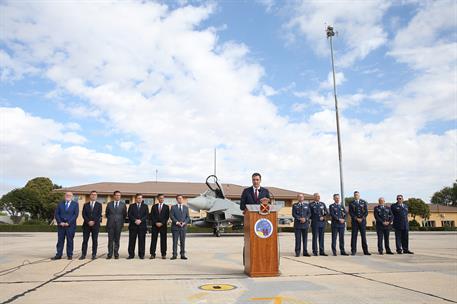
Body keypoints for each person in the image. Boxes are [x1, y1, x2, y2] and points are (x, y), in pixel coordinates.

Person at [52, 192, 79, 260]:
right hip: (61, 226)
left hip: (70, 226)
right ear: (65, 196)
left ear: (72, 197)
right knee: (60, 241)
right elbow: (56, 214)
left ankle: (69, 255)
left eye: (69, 195)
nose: (68, 196)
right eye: (67, 195)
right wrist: (60, 222)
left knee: (70, 241)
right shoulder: (60, 204)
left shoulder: (75, 204)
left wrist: (68, 223)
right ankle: (58, 255)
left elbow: (75, 215)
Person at [80, 190, 102, 260]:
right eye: (92, 194)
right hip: (86, 225)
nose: (93, 196)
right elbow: (83, 214)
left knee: (94, 240)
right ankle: (83, 255)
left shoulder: (99, 205)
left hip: (95, 225)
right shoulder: (85, 205)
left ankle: (94, 254)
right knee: (85, 240)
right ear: (90, 196)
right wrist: (88, 221)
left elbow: (99, 215)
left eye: (95, 195)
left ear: (96, 196)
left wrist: (93, 221)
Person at [105, 190, 127, 259]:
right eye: (116, 195)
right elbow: (107, 214)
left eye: (119, 195)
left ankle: (116, 254)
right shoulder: (109, 204)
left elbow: (124, 215)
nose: (118, 196)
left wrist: (121, 223)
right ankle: (110, 254)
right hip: (110, 225)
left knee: (117, 240)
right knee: (110, 240)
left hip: (119, 225)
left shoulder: (123, 205)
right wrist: (111, 219)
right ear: (114, 196)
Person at [349, 191, 371, 255]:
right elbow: (351, 212)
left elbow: (366, 212)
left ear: (359, 195)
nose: (356, 196)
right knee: (354, 236)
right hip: (355, 222)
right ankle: (353, 251)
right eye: (355, 195)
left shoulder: (363, 202)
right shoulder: (351, 203)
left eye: (357, 195)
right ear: (354, 196)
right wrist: (356, 218)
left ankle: (365, 251)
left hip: (362, 221)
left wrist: (362, 218)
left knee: (363, 236)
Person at [127, 193, 149, 259]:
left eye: (141, 198)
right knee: (131, 241)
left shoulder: (145, 206)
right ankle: (131, 255)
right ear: (136, 198)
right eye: (138, 198)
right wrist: (135, 220)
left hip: (142, 226)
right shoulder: (131, 206)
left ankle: (141, 255)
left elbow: (146, 215)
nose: (139, 199)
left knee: (142, 241)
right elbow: (129, 214)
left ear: (142, 199)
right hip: (133, 226)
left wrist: (140, 220)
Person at [170, 195, 190, 260]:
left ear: (183, 199)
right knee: (175, 242)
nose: (180, 199)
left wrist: (185, 222)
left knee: (182, 241)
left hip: (183, 227)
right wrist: (177, 222)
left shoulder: (186, 208)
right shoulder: (173, 207)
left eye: (181, 198)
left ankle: (182, 254)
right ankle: (174, 255)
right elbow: (171, 216)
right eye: (178, 198)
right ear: (176, 199)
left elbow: (188, 217)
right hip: (175, 227)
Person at [150, 193, 170, 259]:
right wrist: (156, 222)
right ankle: (152, 254)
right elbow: (151, 216)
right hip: (155, 226)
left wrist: (162, 223)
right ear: (158, 199)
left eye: (162, 198)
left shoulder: (166, 207)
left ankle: (163, 254)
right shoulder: (154, 206)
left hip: (163, 226)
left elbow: (167, 216)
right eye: (160, 198)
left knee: (163, 240)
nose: (161, 199)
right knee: (153, 240)